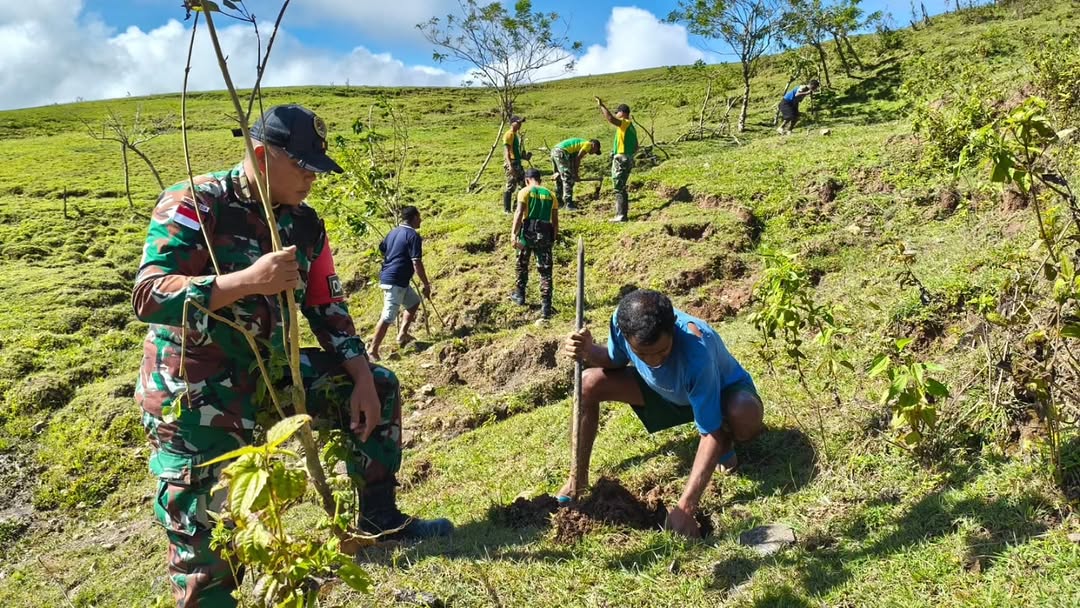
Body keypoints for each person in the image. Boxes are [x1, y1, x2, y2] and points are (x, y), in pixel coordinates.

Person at [132, 104, 452, 608]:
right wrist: (244, 281)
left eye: (315, 169)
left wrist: (362, 376)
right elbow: (149, 296)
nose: (311, 180)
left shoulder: (305, 225)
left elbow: (327, 307)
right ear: (261, 156)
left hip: (271, 377)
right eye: (302, 167)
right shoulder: (196, 202)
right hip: (194, 390)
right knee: (212, 540)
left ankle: (378, 521)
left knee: (379, 385)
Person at [560, 289, 764, 538]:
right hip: (665, 392)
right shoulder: (622, 321)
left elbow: (710, 433)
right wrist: (588, 351)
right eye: (643, 354)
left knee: (743, 412)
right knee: (587, 384)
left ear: (673, 332)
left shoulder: (696, 350)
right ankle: (577, 480)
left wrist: (685, 507)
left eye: (663, 351)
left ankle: (727, 443)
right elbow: (614, 360)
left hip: (720, 396)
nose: (654, 360)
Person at [369, 205, 431, 361]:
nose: (421, 220)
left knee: (413, 303)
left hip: (396, 278)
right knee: (388, 315)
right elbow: (416, 262)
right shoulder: (413, 236)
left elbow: (383, 248)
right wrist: (426, 284)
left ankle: (402, 334)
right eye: (419, 217)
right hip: (395, 280)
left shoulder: (393, 232)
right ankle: (372, 350)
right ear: (415, 217)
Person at [510, 168, 560, 320]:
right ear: (540, 180)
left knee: (522, 264)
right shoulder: (551, 195)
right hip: (545, 233)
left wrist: (513, 233)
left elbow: (519, 213)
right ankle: (546, 307)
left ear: (526, 180)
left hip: (527, 232)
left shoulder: (525, 192)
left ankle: (519, 296)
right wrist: (554, 235)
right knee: (545, 271)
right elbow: (555, 219)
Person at [596, 97, 637, 222]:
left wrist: (601, 105)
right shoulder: (631, 128)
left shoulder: (625, 123)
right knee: (621, 186)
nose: (616, 114)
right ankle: (622, 214)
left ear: (623, 113)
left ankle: (621, 215)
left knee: (619, 187)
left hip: (622, 158)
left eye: (617, 112)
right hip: (628, 157)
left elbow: (611, 119)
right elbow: (636, 146)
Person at [551, 137, 601, 211]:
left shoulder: (577, 147)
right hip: (561, 152)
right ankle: (568, 204)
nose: (593, 153)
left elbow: (573, 161)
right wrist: (576, 175)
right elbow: (578, 159)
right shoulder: (588, 144)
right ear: (594, 145)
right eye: (595, 150)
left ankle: (559, 202)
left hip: (555, 151)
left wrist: (574, 174)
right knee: (567, 178)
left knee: (559, 177)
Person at [502, 115, 531, 213]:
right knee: (510, 186)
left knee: (523, 184)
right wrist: (510, 166)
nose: (519, 125)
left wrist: (525, 157)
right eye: (518, 123)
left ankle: (517, 207)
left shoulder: (515, 135)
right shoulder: (509, 134)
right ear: (512, 123)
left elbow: (515, 152)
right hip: (512, 163)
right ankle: (507, 210)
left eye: (520, 123)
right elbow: (506, 152)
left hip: (517, 163)